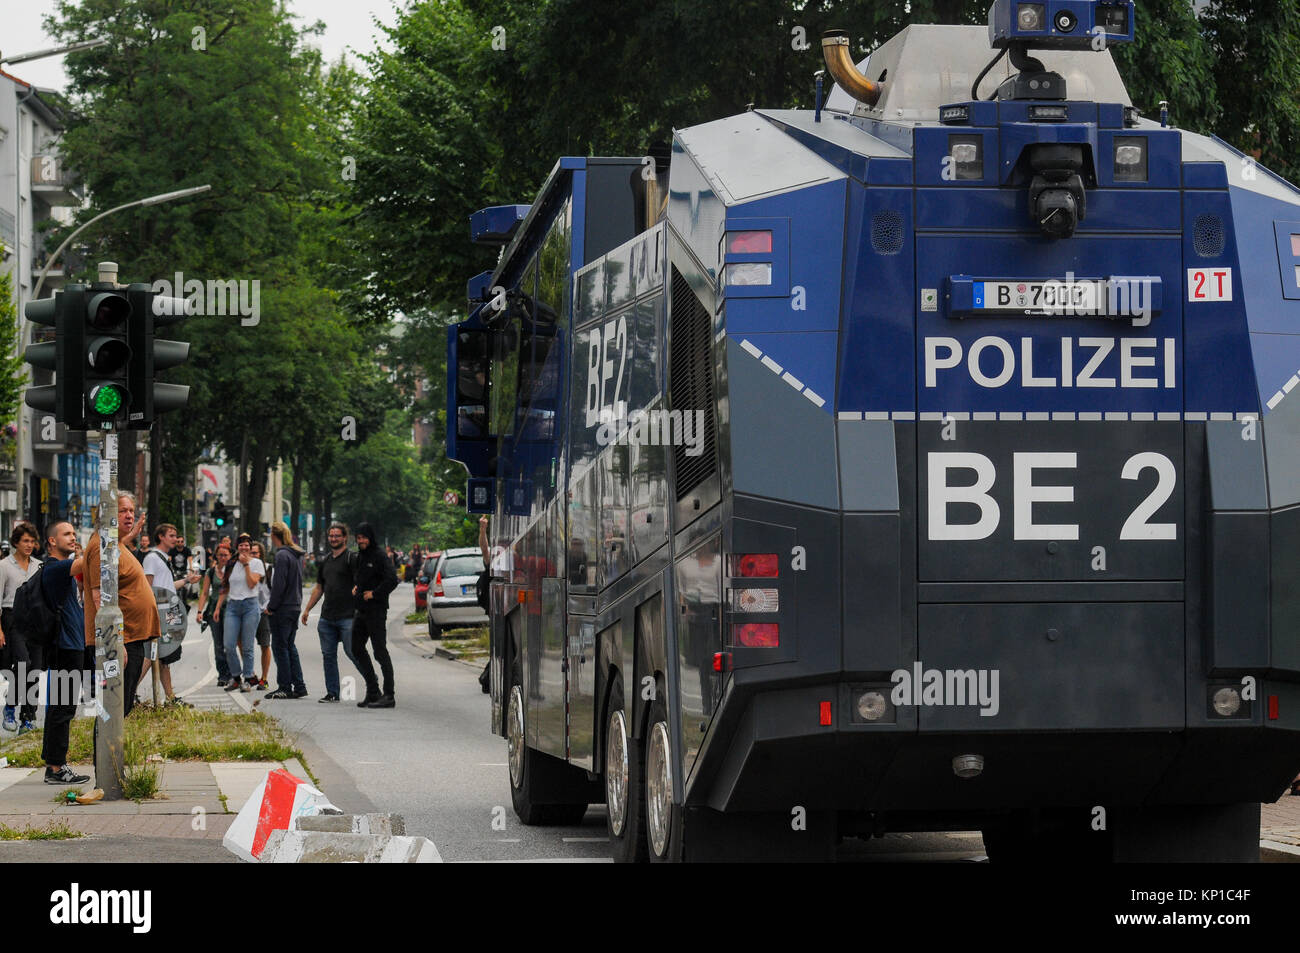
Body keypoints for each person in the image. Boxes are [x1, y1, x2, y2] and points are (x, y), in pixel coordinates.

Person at [74, 491, 160, 719]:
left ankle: (112, 754)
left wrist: (133, 532)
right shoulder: (101, 546)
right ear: (106, 515)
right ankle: (105, 755)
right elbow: (98, 597)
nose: (129, 515)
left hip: (130, 638)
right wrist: (115, 641)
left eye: (131, 510)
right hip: (119, 640)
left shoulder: (115, 542)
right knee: (113, 709)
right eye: (122, 511)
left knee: (121, 707)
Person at [36, 521, 89, 785]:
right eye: (66, 534)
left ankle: (53, 763)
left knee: (59, 706)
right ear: (52, 541)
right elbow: (86, 562)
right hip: (64, 647)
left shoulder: (61, 570)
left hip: (70, 645)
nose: (73, 537)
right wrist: (110, 533)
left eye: (73, 533)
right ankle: (56, 768)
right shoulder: (56, 568)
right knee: (63, 708)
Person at [141, 523, 199, 706]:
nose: (175, 539)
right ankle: (129, 693)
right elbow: (147, 588)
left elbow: (166, 587)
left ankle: (170, 698)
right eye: (172, 535)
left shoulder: (164, 558)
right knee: (152, 654)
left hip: (167, 611)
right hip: (158, 613)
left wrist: (186, 580)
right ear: (161, 537)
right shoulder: (152, 558)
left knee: (164, 656)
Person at [302, 522, 358, 703]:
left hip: (348, 616)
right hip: (327, 617)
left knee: (353, 652)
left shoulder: (352, 558)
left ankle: (373, 685)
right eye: (331, 536)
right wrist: (308, 609)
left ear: (345, 538)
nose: (333, 539)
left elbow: (361, 582)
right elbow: (319, 588)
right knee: (328, 656)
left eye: (337, 536)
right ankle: (332, 692)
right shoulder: (325, 560)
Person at [0, 522, 42, 733]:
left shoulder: (38, 565)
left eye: (32, 541)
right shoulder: (4, 566)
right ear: (16, 542)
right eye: (25, 541)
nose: (29, 545)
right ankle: (10, 707)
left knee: (34, 669)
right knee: (23, 664)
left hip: (35, 621)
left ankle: (28, 717)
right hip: (12, 618)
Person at [352, 523, 397, 708]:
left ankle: (389, 695)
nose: (361, 541)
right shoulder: (360, 556)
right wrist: (357, 587)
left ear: (370, 538)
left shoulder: (379, 555)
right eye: (358, 537)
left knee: (380, 651)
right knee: (356, 648)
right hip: (361, 611)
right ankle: (372, 690)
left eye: (364, 537)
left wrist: (375, 593)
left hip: (376, 611)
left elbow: (392, 580)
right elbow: (362, 577)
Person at [214, 533, 263, 692]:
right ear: (237, 547)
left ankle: (248, 678)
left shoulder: (256, 563)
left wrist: (246, 565)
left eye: (247, 545)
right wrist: (217, 607)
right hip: (233, 606)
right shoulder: (231, 563)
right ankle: (235, 677)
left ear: (250, 547)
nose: (244, 547)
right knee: (228, 644)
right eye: (241, 545)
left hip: (250, 605)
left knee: (247, 646)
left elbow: (251, 583)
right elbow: (224, 586)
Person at [265, 521, 307, 699]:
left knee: (280, 647)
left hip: (283, 608)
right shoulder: (295, 554)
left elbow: (279, 584)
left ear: (275, 537)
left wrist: (271, 607)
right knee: (290, 646)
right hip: (294, 606)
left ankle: (284, 686)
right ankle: (299, 685)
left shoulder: (282, 555)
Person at [198, 542, 232, 686]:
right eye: (220, 555)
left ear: (230, 556)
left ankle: (233, 673)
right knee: (218, 644)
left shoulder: (233, 571)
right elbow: (205, 593)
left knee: (229, 644)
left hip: (231, 610)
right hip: (214, 611)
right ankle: (222, 675)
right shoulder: (211, 572)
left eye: (225, 555)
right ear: (216, 556)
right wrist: (200, 611)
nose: (223, 557)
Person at [249, 540, 272, 689]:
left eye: (255, 553)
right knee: (243, 644)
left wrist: (270, 606)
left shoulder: (269, 569)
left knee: (264, 644)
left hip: (263, 611)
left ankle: (264, 678)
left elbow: (275, 588)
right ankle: (251, 674)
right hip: (248, 610)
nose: (253, 556)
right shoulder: (244, 568)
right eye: (251, 553)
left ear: (261, 554)